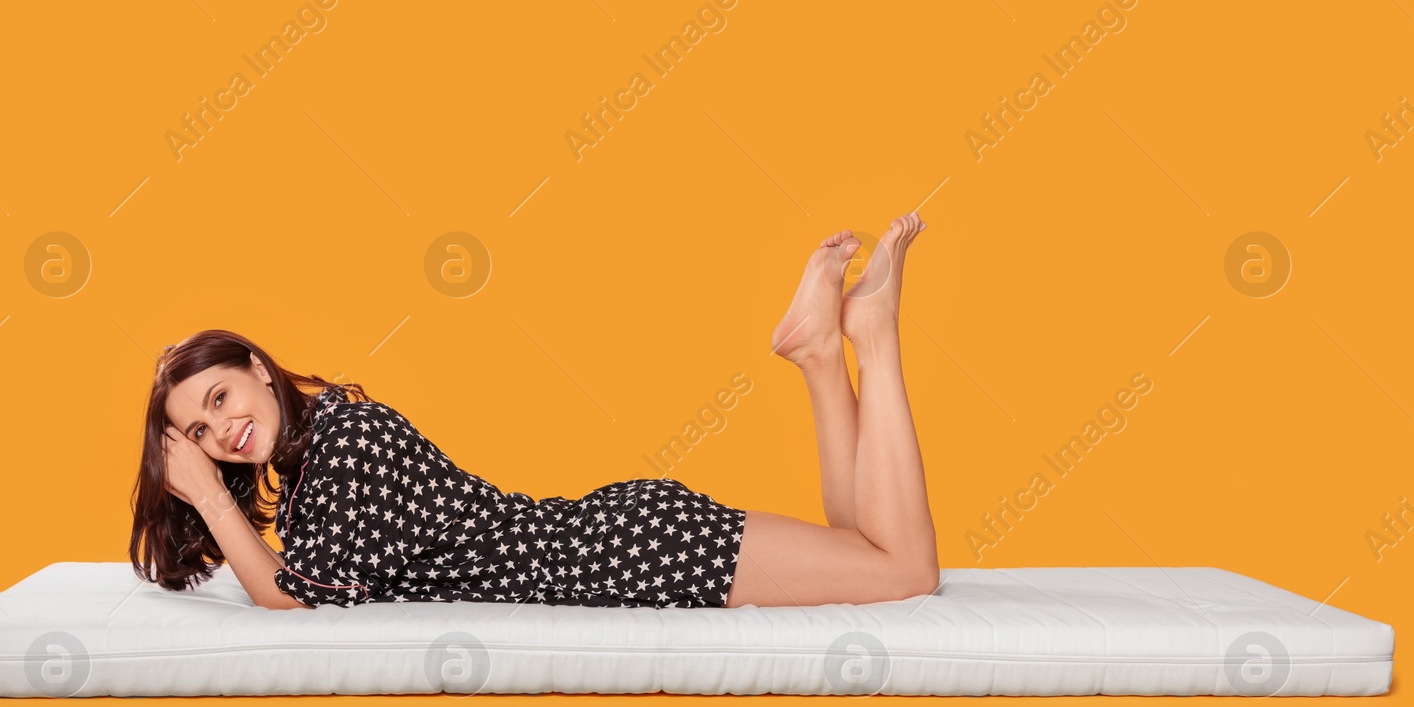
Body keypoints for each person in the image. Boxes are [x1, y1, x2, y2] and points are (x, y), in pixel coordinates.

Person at [129, 213, 939, 610]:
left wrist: (201, 489)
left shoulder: (344, 446)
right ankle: (823, 358)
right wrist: (204, 487)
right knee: (859, 552)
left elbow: (288, 596)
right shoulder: (322, 449)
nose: (221, 431)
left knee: (902, 572)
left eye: (220, 396)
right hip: (607, 541)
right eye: (200, 430)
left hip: (622, 557)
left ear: (260, 371)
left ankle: (870, 335)